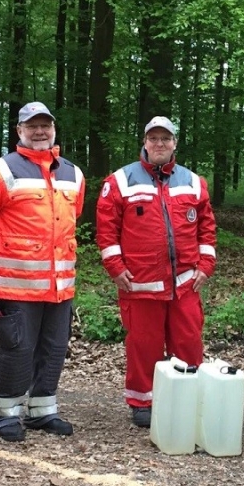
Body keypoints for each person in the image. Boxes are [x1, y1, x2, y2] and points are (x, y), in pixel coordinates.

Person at [0, 102, 85, 442]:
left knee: (53, 348)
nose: (40, 132)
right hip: (15, 284)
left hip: (59, 285)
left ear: (54, 129)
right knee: (18, 349)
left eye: (45, 125)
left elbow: (70, 222)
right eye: (32, 126)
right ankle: (5, 413)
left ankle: (42, 410)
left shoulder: (73, 173)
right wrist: (2, 255)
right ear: (19, 131)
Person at [95, 115, 217, 428]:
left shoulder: (193, 182)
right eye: (154, 138)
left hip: (185, 282)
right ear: (145, 142)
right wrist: (115, 266)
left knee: (188, 342)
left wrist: (206, 264)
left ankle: (187, 398)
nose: (159, 144)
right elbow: (106, 230)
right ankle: (142, 401)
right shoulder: (120, 181)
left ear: (175, 143)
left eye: (165, 138)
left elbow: (207, 227)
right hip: (140, 282)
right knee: (143, 344)